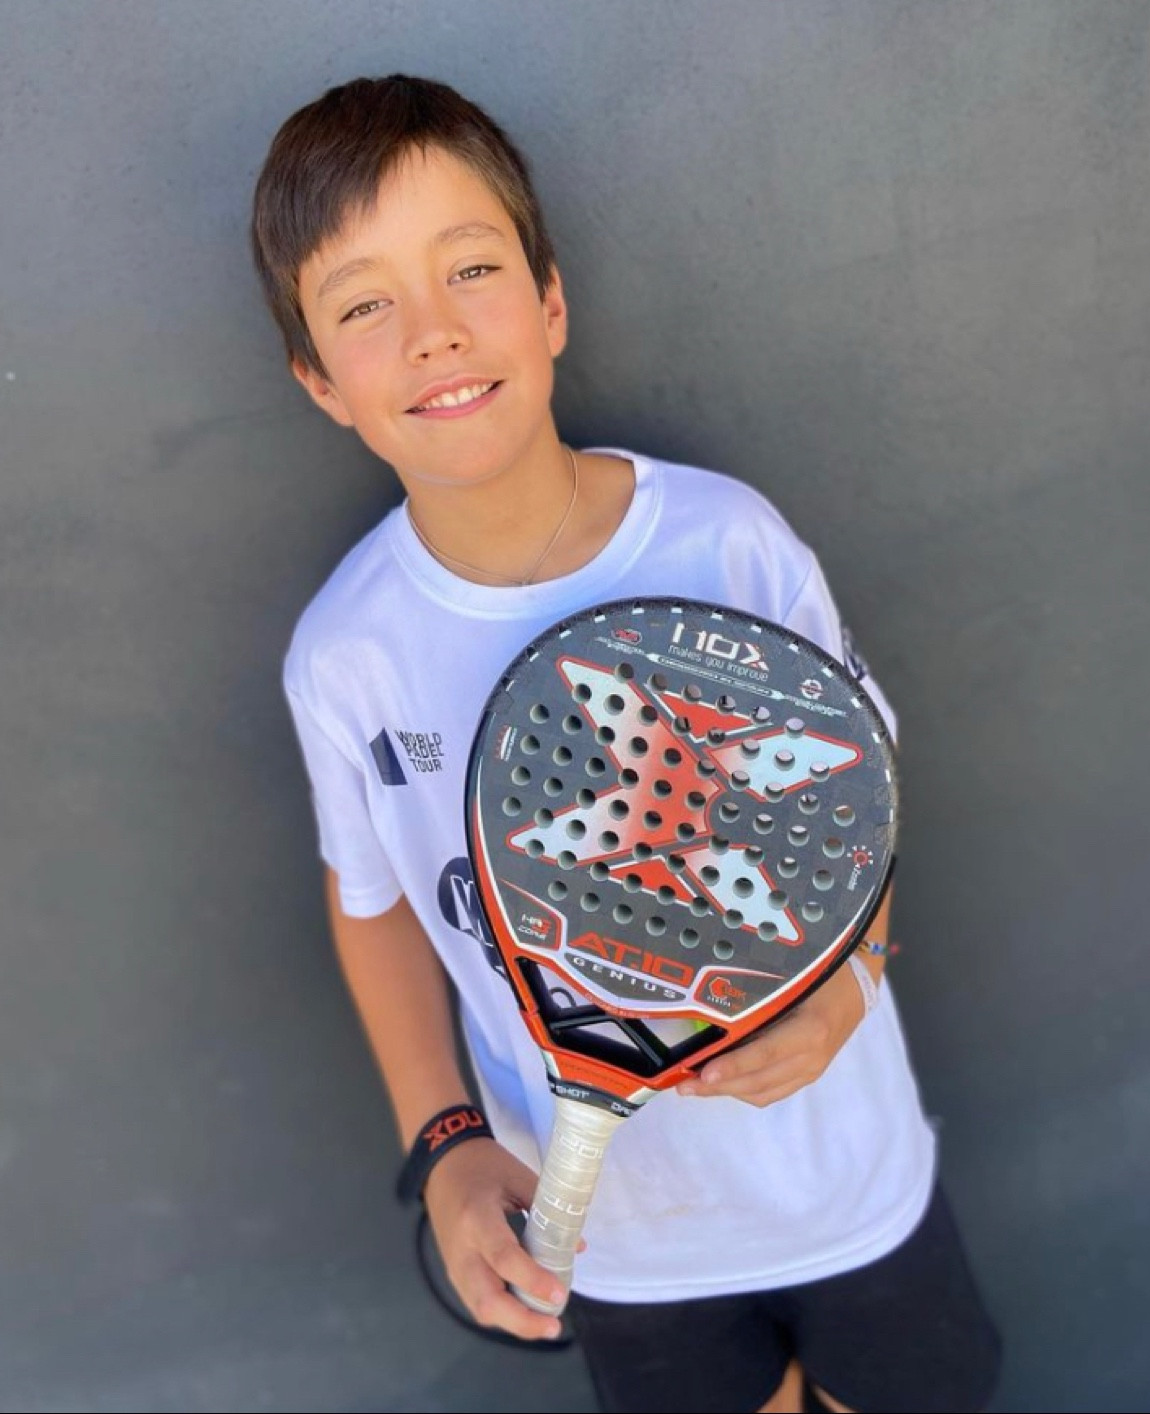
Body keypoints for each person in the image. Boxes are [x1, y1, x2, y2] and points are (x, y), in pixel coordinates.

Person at [250, 73, 1001, 1414]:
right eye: (364, 306)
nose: (432, 330)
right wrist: (445, 1139)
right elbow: (374, 901)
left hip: (847, 1181)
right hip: (626, 1250)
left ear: (550, 304)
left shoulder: (727, 543)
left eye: (470, 268)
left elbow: (859, 796)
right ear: (319, 380)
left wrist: (851, 981)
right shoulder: (345, 655)